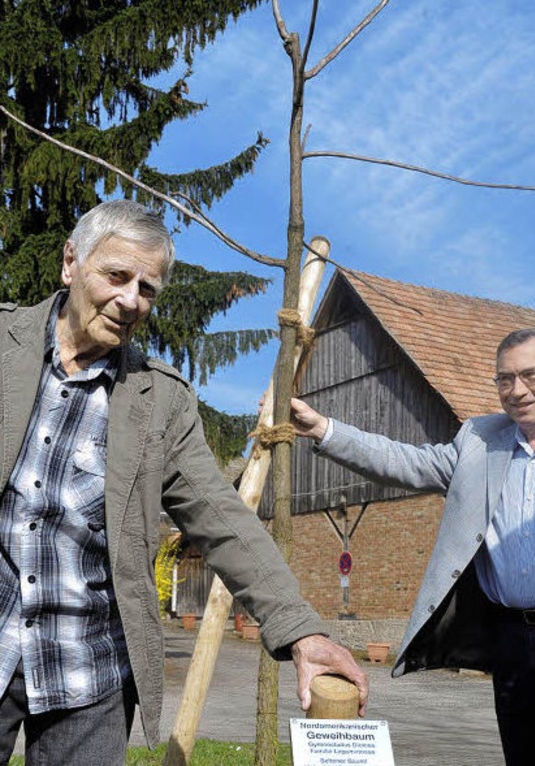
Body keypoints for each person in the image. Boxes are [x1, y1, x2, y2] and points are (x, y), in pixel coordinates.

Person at [0, 200, 367, 766]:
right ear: (71, 262)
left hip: (88, 667)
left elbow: (222, 520)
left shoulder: (161, 400)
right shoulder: (4, 343)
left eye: (147, 289)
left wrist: (301, 631)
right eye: (117, 276)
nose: (130, 301)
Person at [290, 328, 535, 766]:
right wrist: (323, 429)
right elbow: (408, 463)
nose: (517, 391)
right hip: (512, 639)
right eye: (504, 379)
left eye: (530, 375)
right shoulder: (478, 438)